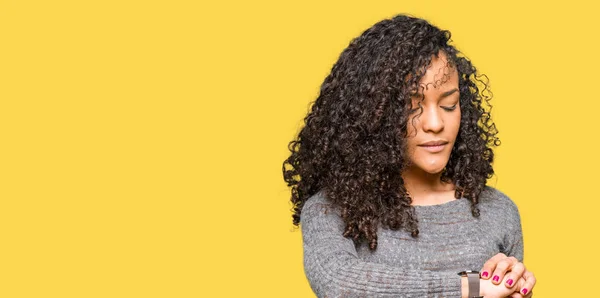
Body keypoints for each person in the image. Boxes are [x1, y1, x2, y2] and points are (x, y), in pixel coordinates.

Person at [282, 14, 537, 297]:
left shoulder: (498, 211)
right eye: (412, 107)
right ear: (373, 115)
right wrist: (472, 287)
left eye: (449, 105)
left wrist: (512, 286)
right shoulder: (331, 211)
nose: (435, 123)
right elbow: (340, 283)